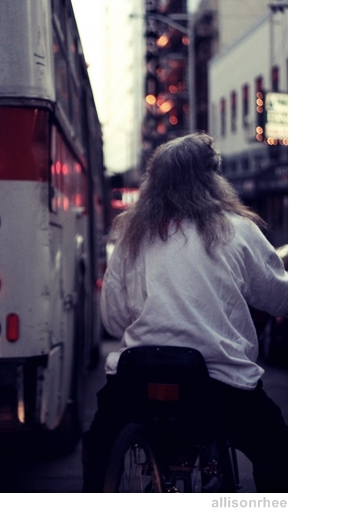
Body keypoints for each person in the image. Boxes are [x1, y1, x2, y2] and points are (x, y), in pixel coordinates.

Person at [82, 132, 288, 492]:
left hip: (138, 378)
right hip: (219, 384)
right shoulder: (239, 230)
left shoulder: (132, 236)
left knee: (98, 447)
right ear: (212, 179)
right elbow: (280, 298)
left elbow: (113, 319)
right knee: (276, 449)